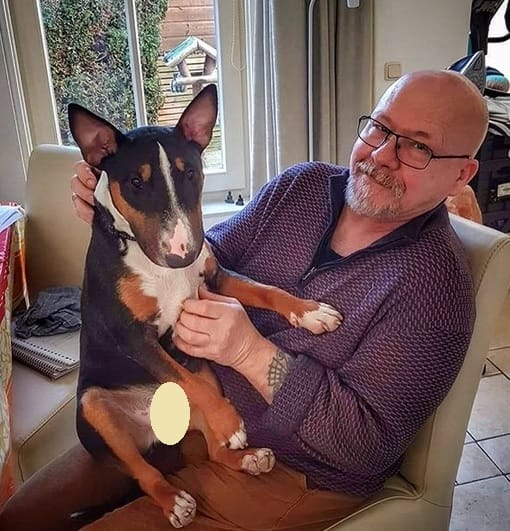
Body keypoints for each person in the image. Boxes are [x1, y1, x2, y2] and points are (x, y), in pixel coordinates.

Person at [0, 70, 488, 531]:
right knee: (19, 518)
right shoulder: (303, 186)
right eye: (380, 127)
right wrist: (125, 226)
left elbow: (363, 446)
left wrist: (250, 353)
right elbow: (209, 257)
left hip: (293, 470)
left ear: (461, 175)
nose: (382, 154)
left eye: (418, 146)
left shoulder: (434, 291)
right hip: (182, 405)